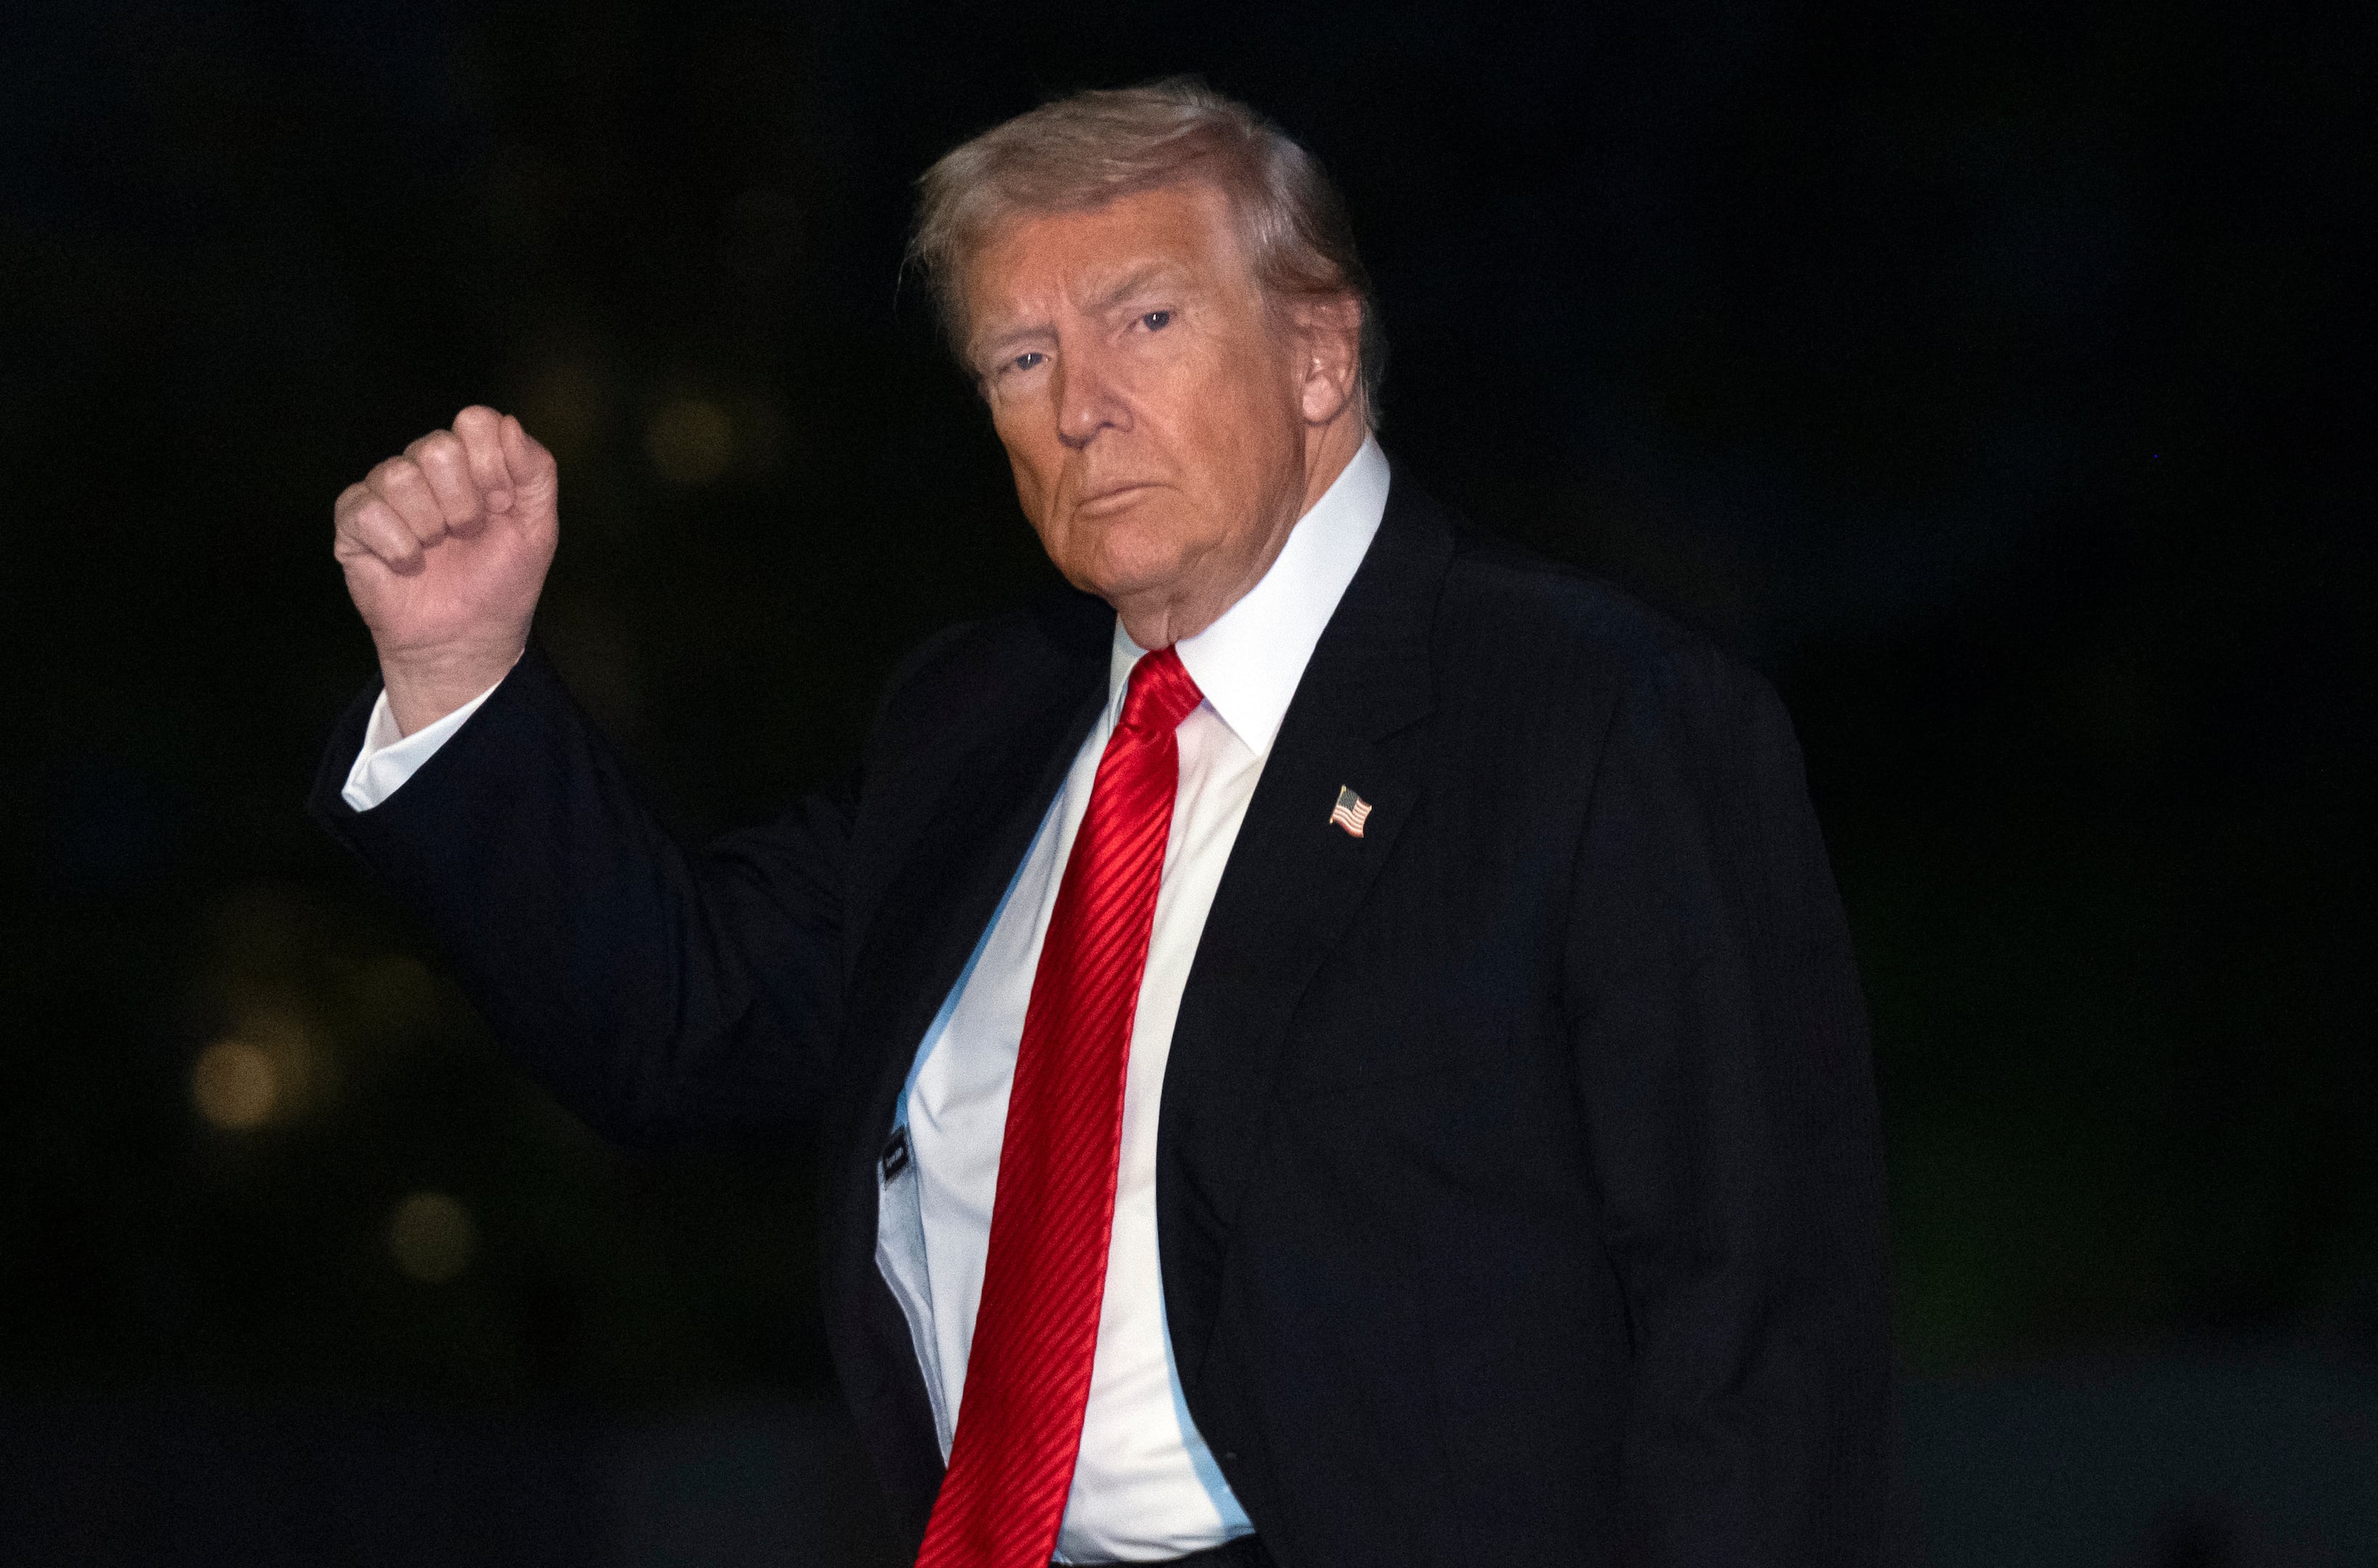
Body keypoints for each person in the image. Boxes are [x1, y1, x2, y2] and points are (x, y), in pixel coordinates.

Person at [313, 79, 1889, 1568]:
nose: (1080, 406)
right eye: (1019, 356)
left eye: (1144, 318)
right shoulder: (974, 724)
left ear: (1318, 356)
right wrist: (460, 673)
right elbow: (674, 1019)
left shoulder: (1593, 717)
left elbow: (1755, 1333)